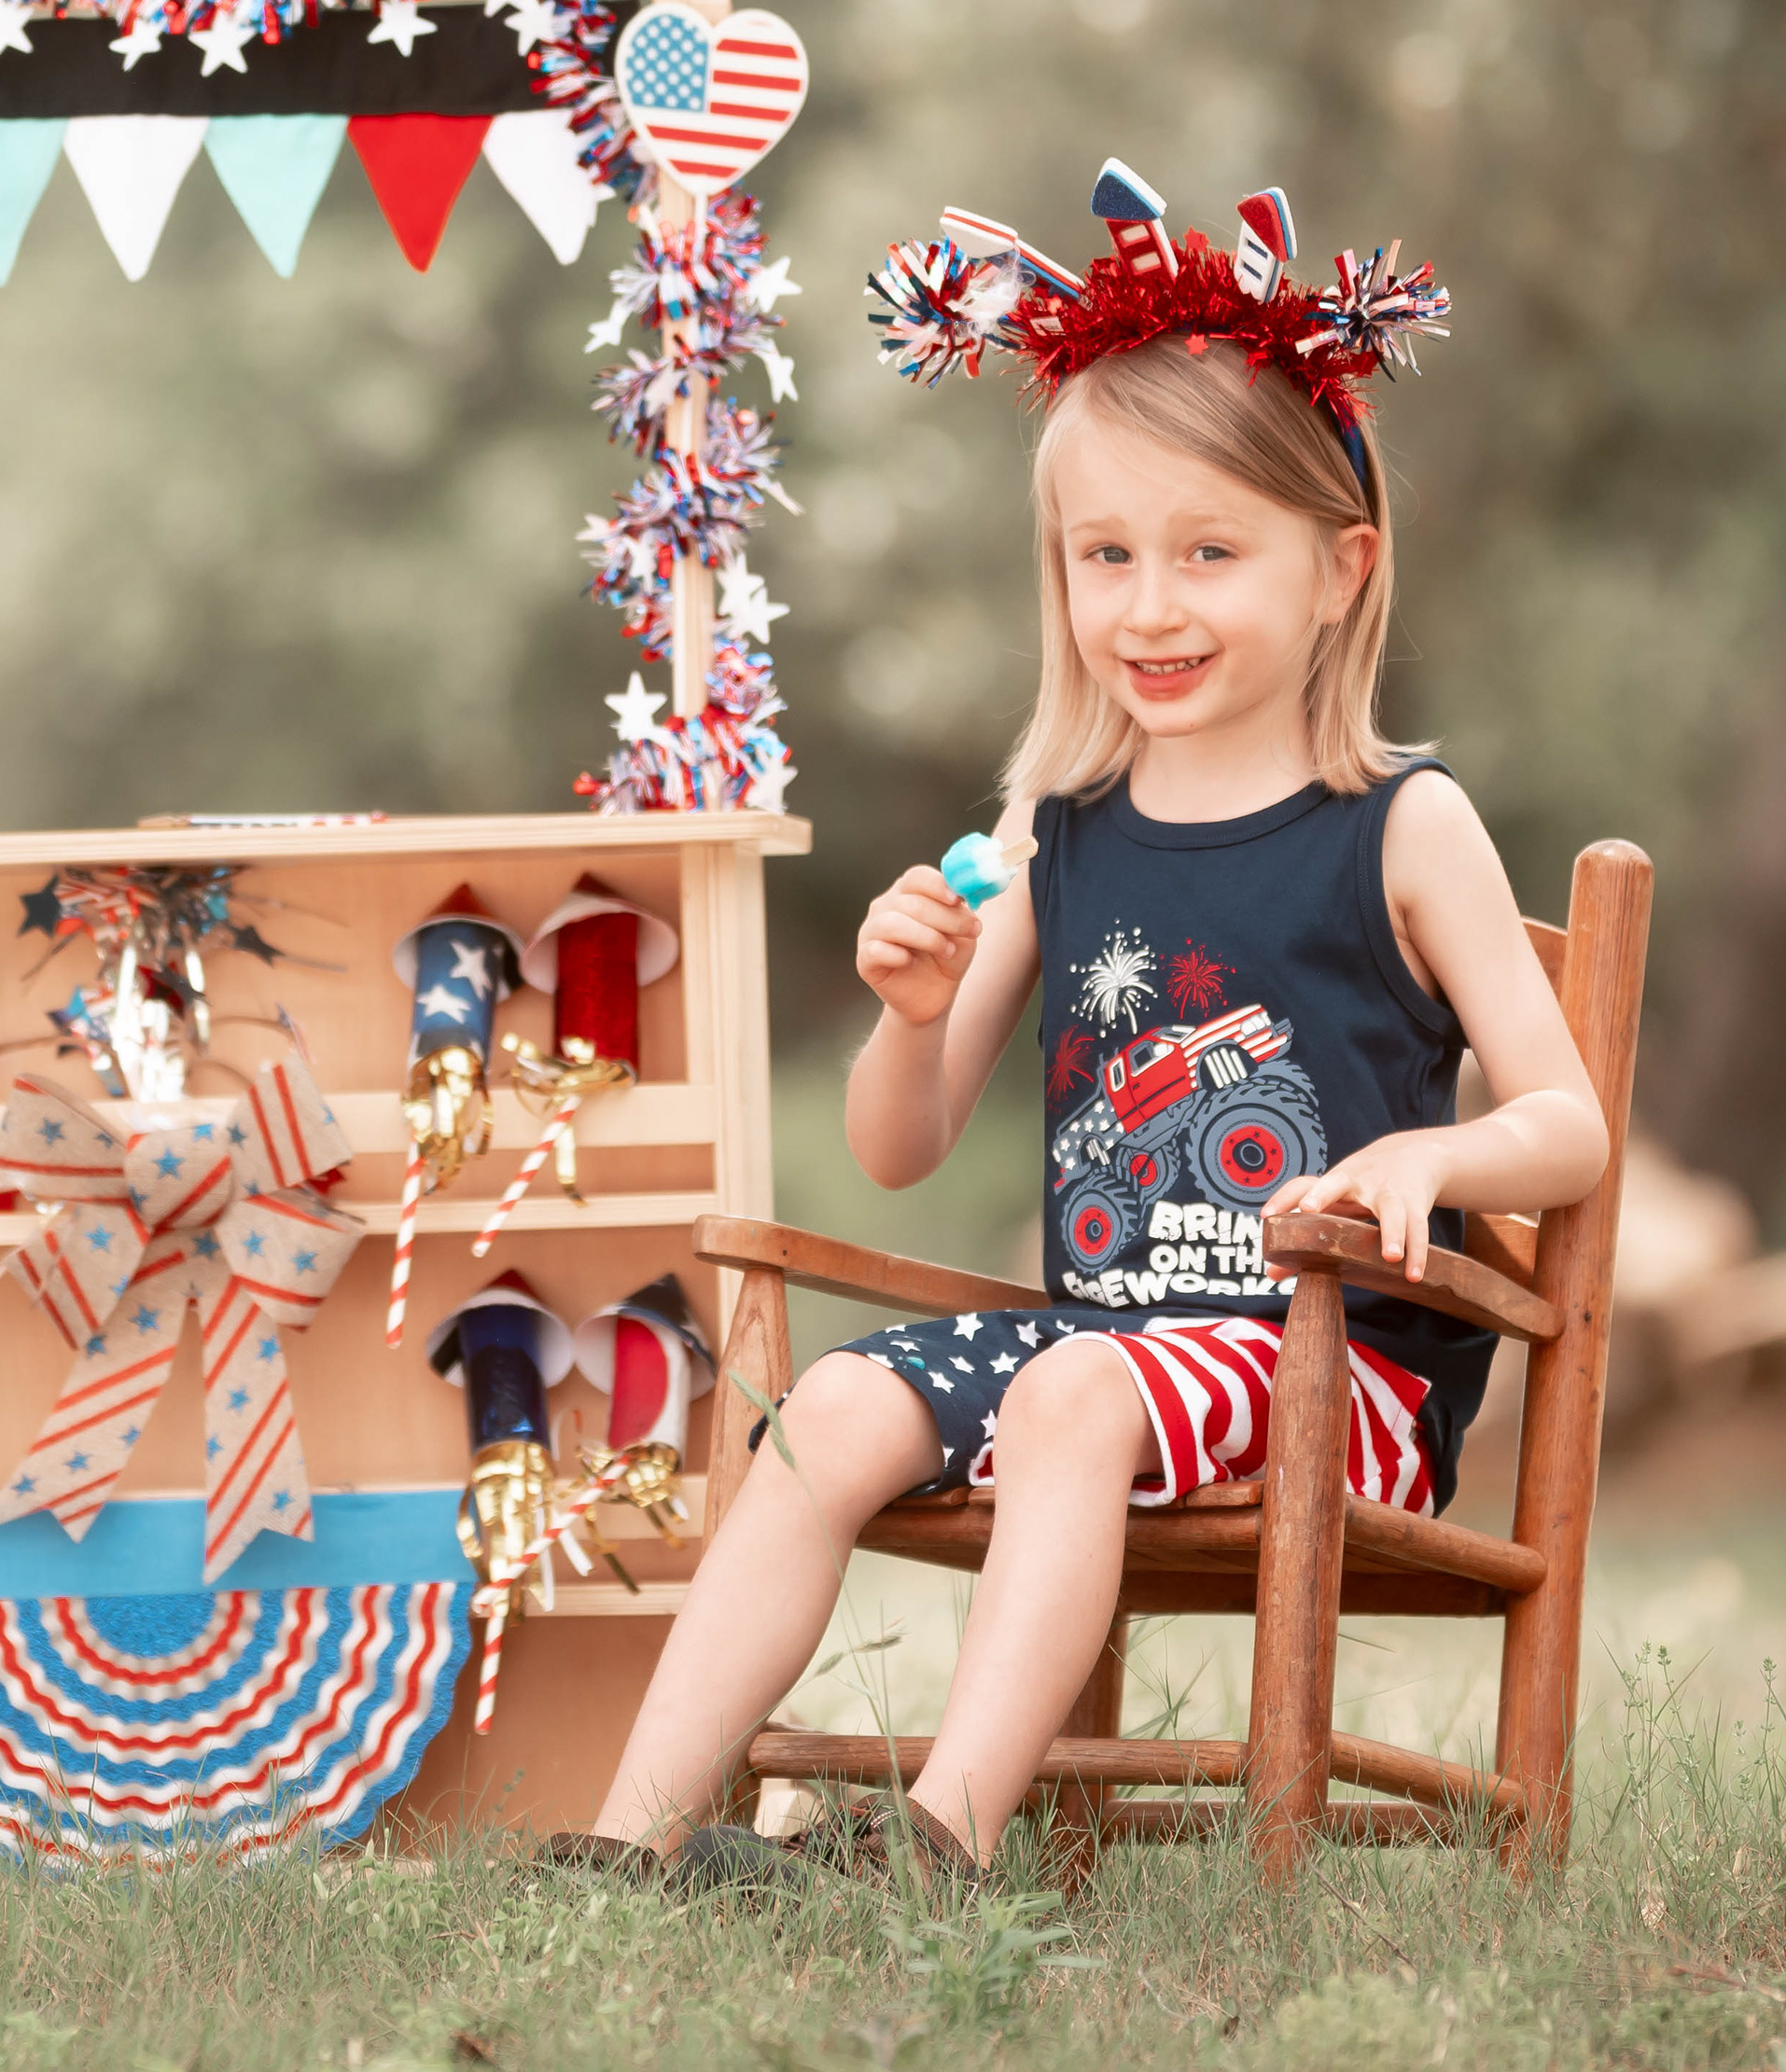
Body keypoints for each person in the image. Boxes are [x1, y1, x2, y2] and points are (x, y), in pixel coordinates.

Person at [580, 179, 1610, 1887]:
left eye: (1210, 552)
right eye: (1105, 556)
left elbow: (1569, 1127)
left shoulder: (1402, 825)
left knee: (1072, 1383)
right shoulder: (1054, 829)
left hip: (1332, 1368)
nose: (1150, 606)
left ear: (1340, 569)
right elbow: (900, 1145)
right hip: (1103, 1353)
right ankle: (629, 1845)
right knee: (831, 1403)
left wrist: (1434, 1156)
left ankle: (943, 1843)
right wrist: (910, 1016)